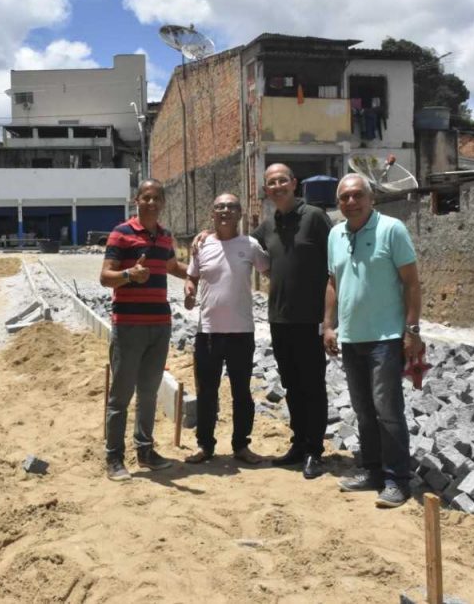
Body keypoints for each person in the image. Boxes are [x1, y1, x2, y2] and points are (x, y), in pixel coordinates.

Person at [323, 174, 423, 508]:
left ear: (372, 198)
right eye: (344, 197)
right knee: (364, 411)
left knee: (388, 411)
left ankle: (397, 480)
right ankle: (373, 471)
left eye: (357, 195)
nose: (351, 202)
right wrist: (328, 326)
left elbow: (411, 283)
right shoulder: (335, 234)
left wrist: (412, 331)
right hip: (352, 338)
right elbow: (333, 282)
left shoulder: (392, 229)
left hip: (386, 337)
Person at [100, 179, 188, 481]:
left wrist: (201, 275)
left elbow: (173, 267)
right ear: (136, 200)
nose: (151, 203)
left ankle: (145, 450)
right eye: (146, 197)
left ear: (163, 202)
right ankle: (114, 457)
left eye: (156, 198)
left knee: (148, 393)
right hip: (128, 326)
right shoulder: (121, 233)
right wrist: (129, 275)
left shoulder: (164, 236)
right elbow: (105, 277)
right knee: (120, 396)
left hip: (159, 325)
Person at [254, 164, 332, 480]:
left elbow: (335, 262)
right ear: (266, 190)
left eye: (282, 180)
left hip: (310, 319)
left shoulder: (314, 217)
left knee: (312, 385)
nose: (277, 186)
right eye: (271, 183)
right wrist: (206, 235)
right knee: (291, 385)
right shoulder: (268, 224)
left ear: (294, 183)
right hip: (279, 319)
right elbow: (241, 244)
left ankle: (314, 450)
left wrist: (330, 320)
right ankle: (298, 444)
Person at [183, 193, 270, 465]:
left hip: (241, 332)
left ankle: (241, 445)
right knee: (206, 392)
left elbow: (271, 271)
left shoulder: (250, 245)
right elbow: (191, 277)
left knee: (241, 392)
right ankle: (205, 445)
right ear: (212, 213)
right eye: (220, 207)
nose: (225, 211)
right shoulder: (202, 245)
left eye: (231, 206)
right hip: (208, 332)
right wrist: (189, 290)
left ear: (240, 213)